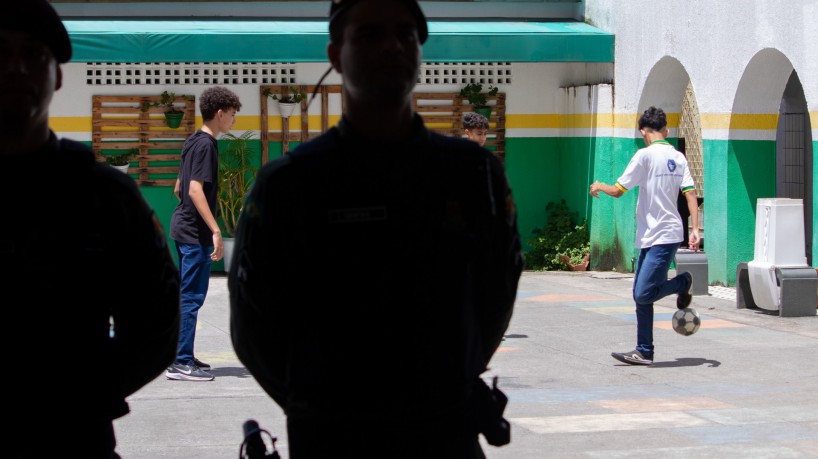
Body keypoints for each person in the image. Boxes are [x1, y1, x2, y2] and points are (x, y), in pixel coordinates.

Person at [229, 0, 523, 457]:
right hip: (331, 436)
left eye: (405, 33)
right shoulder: (291, 184)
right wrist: (319, 405)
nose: (392, 46)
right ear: (334, 55)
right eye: (369, 34)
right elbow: (253, 326)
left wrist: (444, 384)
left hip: (444, 432)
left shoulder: (472, 175)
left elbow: (497, 291)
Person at [1, 1, 181, 457]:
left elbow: (158, 323)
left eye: (35, 55)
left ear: (58, 75)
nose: (16, 68)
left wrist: (82, 395)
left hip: (75, 437)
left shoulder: (105, 194)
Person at [589, 106, 700, 366]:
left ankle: (682, 283)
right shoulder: (679, 158)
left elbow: (618, 190)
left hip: (660, 235)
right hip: (662, 234)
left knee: (642, 294)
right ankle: (644, 351)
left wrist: (598, 186)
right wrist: (695, 228)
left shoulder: (644, 156)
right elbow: (690, 193)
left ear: (643, 132)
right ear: (666, 130)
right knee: (641, 295)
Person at [167, 86, 241, 382]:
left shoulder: (193, 141)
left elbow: (179, 187)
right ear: (220, 113)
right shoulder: (206, 145)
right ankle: (181, 362)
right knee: (192, 297)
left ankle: (183, 354)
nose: (234, 121)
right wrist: (215, 230)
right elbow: (194, 189)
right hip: (193, 234)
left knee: (189, 295)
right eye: (233, 115)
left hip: (183, 228)